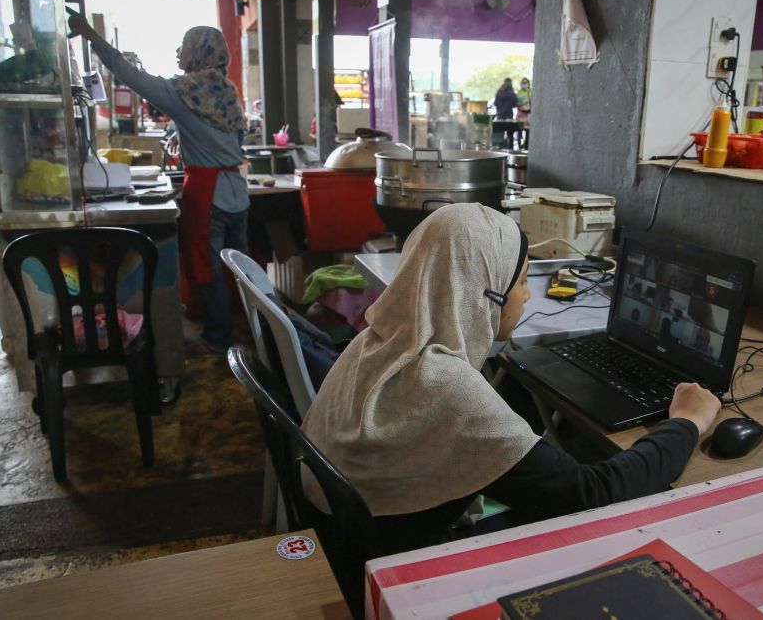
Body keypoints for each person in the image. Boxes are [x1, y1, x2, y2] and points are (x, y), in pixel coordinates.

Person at [300, 203, 722, 555]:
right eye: (519, 282)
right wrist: (687, 421)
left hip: (345, 535)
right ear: (480, 295)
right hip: (395, 559)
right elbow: (593, 493)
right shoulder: (444, 387)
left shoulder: (380, 337)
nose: (525, 295)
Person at [67, 13, 249, 354]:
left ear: (198, 52)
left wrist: (93, 36)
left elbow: (132, 76)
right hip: (238, 193)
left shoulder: (184, 93)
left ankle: (218, 337)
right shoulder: (227, 91)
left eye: (184, 46)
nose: (178, 52)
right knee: (242, 268)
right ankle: (257, 330)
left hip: (208, 195)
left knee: (206, 268)